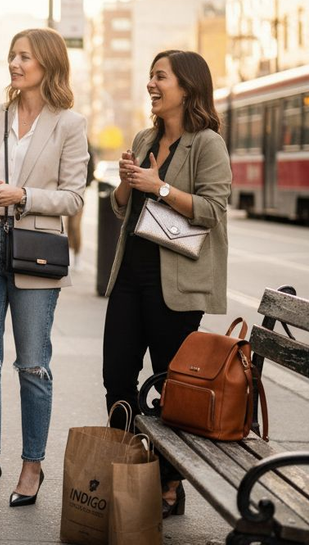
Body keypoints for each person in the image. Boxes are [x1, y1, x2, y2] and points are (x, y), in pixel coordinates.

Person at [0, 27, 89, 507]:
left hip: (35, 250)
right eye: (12, 55)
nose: (14, 63)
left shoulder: (69, 124)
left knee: (32, 365)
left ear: (47, 64)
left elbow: (74, 197)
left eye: (24, 56)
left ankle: (32, 466)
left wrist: (22, 196)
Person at [103, 49, 232, 519]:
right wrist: (126, 182)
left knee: (169, 387)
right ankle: (126, 472)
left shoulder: (207, 144)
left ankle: (169, 483)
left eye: (161, 77)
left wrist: (158, 186)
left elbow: (214, 210)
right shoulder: (144, 137)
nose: (151, 84)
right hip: (129, 279)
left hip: (174, 286)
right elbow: (123, 208)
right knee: (116, 376)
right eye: (150, 76)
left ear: (187, 87)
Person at [63, 148, 95, 269]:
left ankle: (77, 256)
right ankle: (70, 254)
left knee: (75, 225)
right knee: (67, 225)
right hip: (66, 191)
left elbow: (91, 171)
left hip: (79, 192)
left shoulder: (87, 146)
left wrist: (82, 185)